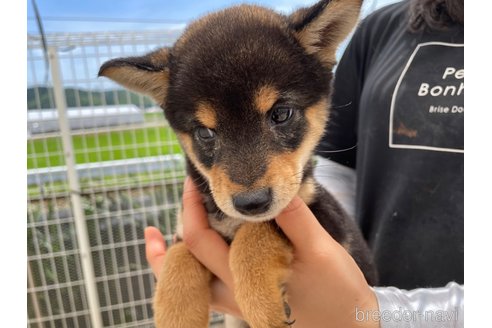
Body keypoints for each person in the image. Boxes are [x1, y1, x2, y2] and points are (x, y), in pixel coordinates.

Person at [145, 0, 464, 326]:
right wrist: (185, 264)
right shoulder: (382, 31)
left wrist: (368, 311)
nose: (249, 185)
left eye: (280, 115)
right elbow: (339, 167)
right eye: (206, 134)